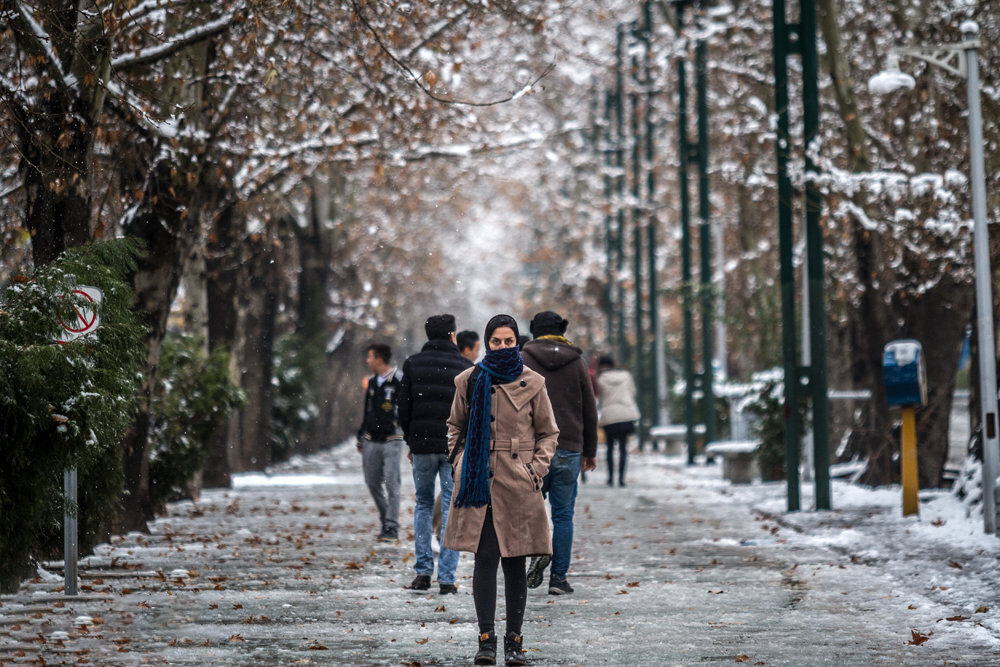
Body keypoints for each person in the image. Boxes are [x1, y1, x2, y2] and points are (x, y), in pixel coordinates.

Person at [442, 314, 559, 666]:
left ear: (517, 343)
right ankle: (486, 640)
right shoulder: (469, 379)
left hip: (518, 484)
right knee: (486, 559)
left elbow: (548, 433)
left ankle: (515, 642)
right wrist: (460, 459)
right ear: (487, 342)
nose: (503, 347)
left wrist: (534, 471)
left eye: (509, 341)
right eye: (497, 341)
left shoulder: (534, 382)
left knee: (514, 563)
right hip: (480, 482)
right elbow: (454, 426)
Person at [520, 311, 598, 596]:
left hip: (532, 448)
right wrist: (589, 450)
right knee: (563, 515)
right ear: (562, 330)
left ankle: (535, 557)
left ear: (534, 330)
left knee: (529, 511)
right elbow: (589, 408)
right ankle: (558, 579)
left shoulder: (523, 360)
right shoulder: (577, 362)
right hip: (568, 446)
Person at [398, 314, 472, 595]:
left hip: (422, 448)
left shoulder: (413, 364)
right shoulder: (465, 367)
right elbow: (469, 411)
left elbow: (402, 408)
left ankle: (422, 571)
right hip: (453, 448)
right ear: (453, 335)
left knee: (424, 504)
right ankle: (447, 577)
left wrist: (411, 439)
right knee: (453, 508)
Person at [357, 343, 404, 542]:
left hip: (392, 439)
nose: (367, 361)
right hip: (371, 440)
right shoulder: (371, 382)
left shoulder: (399, 379)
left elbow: (405, 406)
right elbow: (367, 410)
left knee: (392, 483)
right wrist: (361, 435)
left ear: (379, 359)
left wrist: (400, 425)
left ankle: (392, 527)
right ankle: (386, 520)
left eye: (370, 357)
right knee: (372, 482)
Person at [595, 354, 640, 487]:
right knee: (623, 448)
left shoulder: (601, 378)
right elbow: (633, 391)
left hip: (610, 416)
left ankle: (610, 478)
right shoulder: (626, 375)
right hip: (626, 414)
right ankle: (621, 478)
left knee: (609, 447)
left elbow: (601, 396)